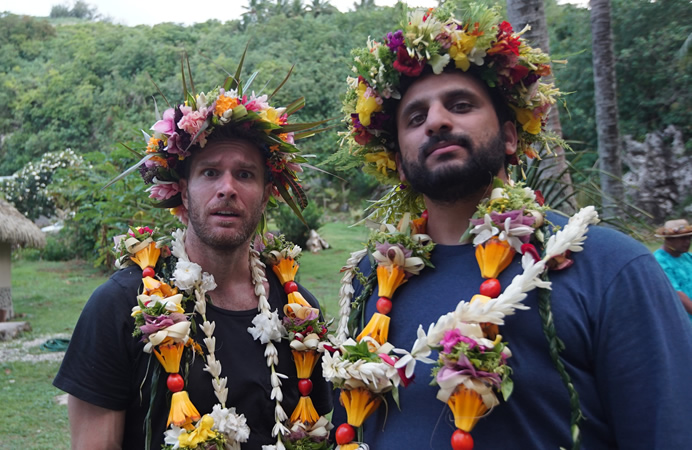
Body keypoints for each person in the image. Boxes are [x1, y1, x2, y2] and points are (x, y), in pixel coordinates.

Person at [324, 4, 692, 449]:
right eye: (416, 118)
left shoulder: (607, 266)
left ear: (511, 135)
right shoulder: (371, 275)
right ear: (399, 164)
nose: (438, 121)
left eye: (460, 105)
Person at [53, 57, 333, 449]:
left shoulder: (296, 310)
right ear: (183, 190)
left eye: (246, 174)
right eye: (209, 172)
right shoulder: (119, 306)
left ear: (268, 194)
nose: (227, 188)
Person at [654, 218, 692, 321]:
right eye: (683, 238)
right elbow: (677, 294)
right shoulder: (659, 261)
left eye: (689, 238)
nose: (687, 242)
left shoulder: (687, 256)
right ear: (669, 240)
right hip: (680, 321)